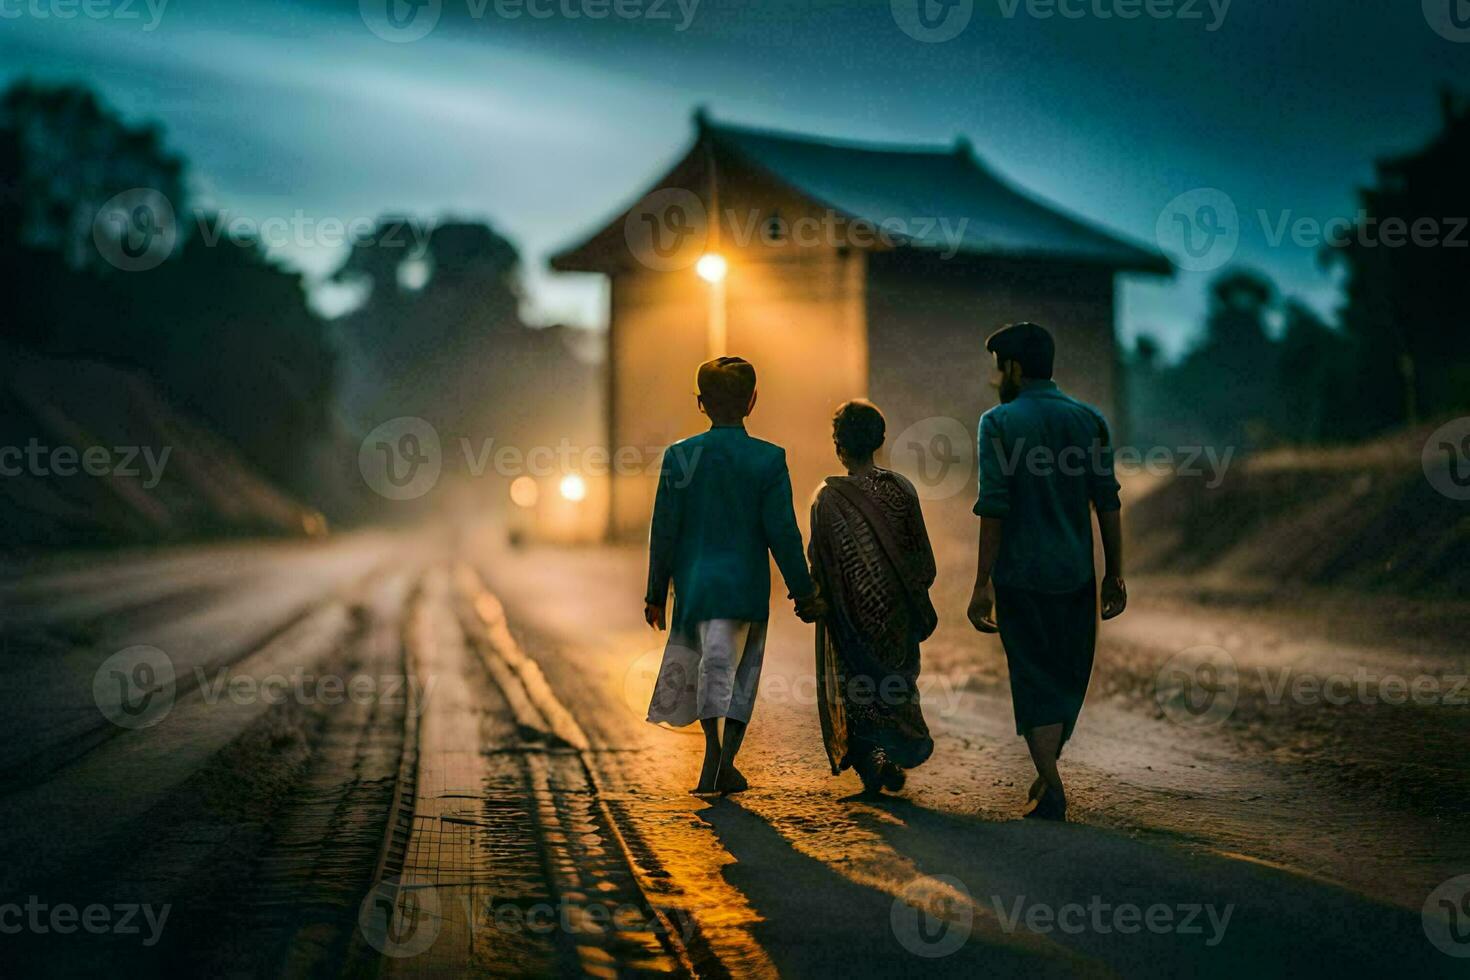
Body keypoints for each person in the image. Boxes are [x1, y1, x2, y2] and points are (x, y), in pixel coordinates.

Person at [967, 322, 1127, 822]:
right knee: (1068, 677)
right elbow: (1108, 503)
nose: (995, 379)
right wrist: (1114, 572)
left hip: (1020, 577)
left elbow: (994, 507)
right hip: (1076, 573)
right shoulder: (1089, 420)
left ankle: (1051, 784)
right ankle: (1048, 771)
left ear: (1013, 368)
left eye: (998, 369)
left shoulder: (997, 423)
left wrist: (982, 582)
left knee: (1033, 678)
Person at [644, 356, 823, 796]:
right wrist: (804, 591)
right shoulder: (768, 459)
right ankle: (727, 760)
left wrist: (654, 593)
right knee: (742, 673)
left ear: (700, 403)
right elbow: (782, 532)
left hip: (696, 587)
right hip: (746, 586)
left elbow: (663, 530)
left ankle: (711, 749)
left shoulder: (679, 457)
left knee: (709, 668)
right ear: (753, 401)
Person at [808, 399, 936, 795]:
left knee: (857, 690)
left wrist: (818, 601)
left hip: (850, 620)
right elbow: (922, 559)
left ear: (838, 445)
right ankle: (895, 755)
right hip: (897, 616)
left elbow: (819, 562)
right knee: (897, 682)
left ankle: (872, 768)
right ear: (880, 440)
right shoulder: (901, 490)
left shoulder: (827, 499)